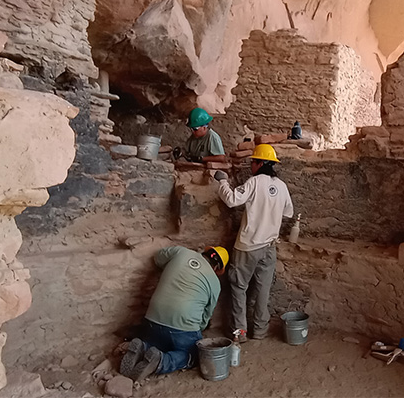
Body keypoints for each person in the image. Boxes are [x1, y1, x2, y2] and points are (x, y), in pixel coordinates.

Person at [213, 144, 293, 342]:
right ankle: (260, 330)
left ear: (261, 163)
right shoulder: (282, 186)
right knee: (262, 290)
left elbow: (232, 200)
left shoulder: (254, 182)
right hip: (269, 247)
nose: (252, 166)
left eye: (254, 162)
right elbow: (288, 212)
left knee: (239, 288)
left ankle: (239, 333)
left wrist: (222, 182)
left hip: (248, 246)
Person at [120, 245, 229, 381]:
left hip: (152, 319)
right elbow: (206, 317)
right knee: (193, 354)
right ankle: (161, 361)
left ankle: (142, 346)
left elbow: (158, 258)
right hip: (182, 328)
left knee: (158, 342)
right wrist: (195, 331)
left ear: (205, 252)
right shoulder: (215, 283)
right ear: (217, 268)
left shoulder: (181, 252)